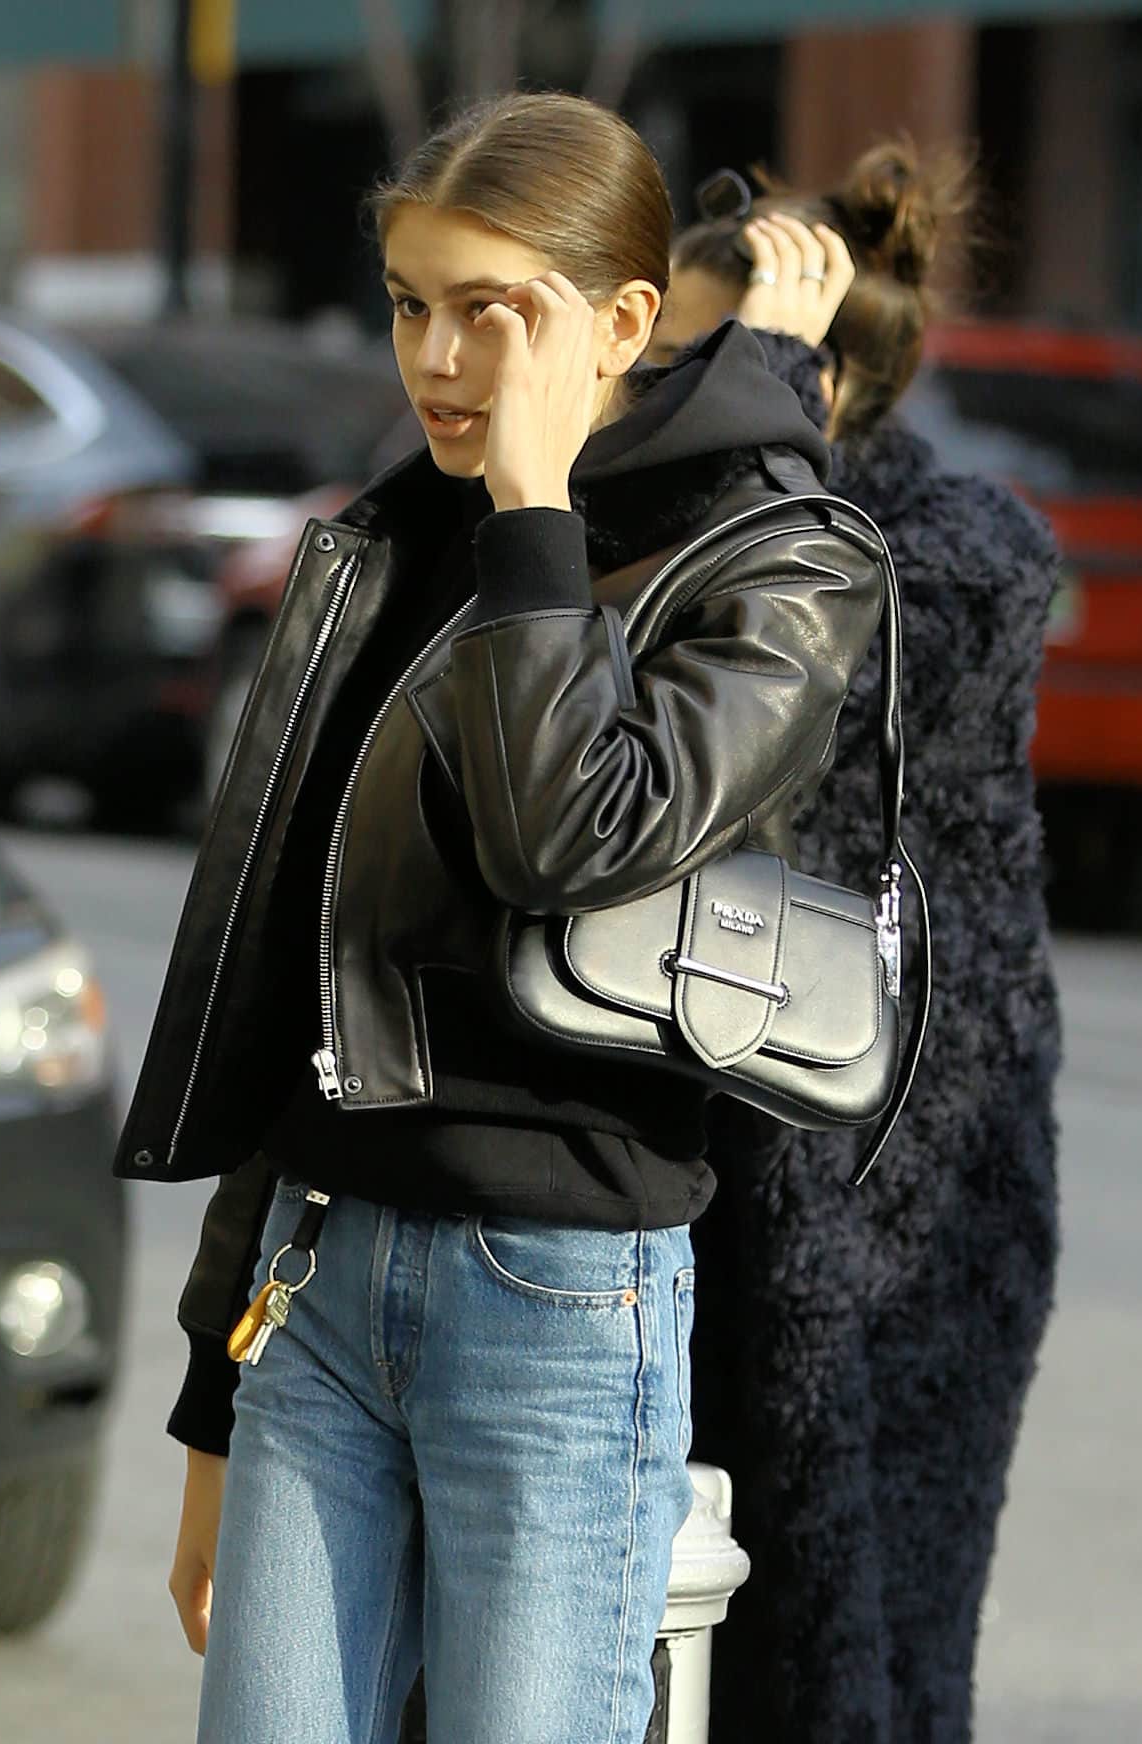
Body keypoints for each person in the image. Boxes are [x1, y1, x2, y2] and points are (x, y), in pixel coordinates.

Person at [115, 92, 887, 1744]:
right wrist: (209, 1407)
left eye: (496, 312)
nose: (441, 359)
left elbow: (576, 840)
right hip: (318, 1280)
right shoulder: (404, 537)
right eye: (412, 303)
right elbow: (304, 970)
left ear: (618, 322)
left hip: (556, 1297)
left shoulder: (781, 566)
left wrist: (534, 521)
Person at [655, 146, 1065, 1743]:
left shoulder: (969, 551)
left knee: (865, 1657)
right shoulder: (670, 531)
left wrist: (746, 405)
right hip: (700, 1198)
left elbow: (802, 645)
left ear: (810, 382)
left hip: (910, 1213)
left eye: (707, 367)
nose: (659, 405)